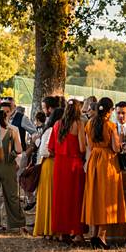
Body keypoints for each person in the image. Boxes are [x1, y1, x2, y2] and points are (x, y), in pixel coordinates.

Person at [81, 97, 126, 248]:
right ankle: (102, 236)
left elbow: (88, 145)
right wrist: (120, 141)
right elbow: (115, 148)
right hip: (107, 162)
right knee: (106, 197)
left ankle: (93, 234)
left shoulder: (89, 123)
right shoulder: (110, 125)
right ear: (110, 110)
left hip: (94, 159)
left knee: (94, 196)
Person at [48, 98, 87, 240]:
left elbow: (50, 148)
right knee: (75, 198)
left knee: (60, 198)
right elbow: (82, 148)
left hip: (59, 165)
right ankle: (76, 232)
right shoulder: (79, 124)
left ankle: (61, 231)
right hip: (74, 165)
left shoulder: (57, 124)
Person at [0, 102, 25, 234]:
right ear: (5, 118)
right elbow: (19, 149)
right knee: (11, 196)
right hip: (7, 166)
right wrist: (12, 156)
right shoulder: (12, 131)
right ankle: (18, 225)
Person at [31, 96, 63, 239]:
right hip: (52, 165)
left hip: (51, 165)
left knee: (50, 197)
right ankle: (49, 228)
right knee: (49, 198)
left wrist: (36, 140)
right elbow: (46, 150)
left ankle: (50, 228)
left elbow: (44, 149)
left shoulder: (52, 129)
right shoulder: (54, 130)